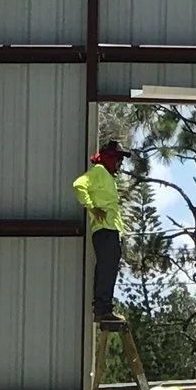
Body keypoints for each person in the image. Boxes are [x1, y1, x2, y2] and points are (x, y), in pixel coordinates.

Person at [73, 139, 126, 326]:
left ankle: (104, 307)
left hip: (110, 229)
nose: (120, 163)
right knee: (106, 268)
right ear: (110, 158)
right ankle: (103, 308)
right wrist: (92, 207)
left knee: (109, 268)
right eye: (119, 158)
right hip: (105, 229)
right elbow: (79, 185)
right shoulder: (99, 172)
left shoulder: (107, 176)